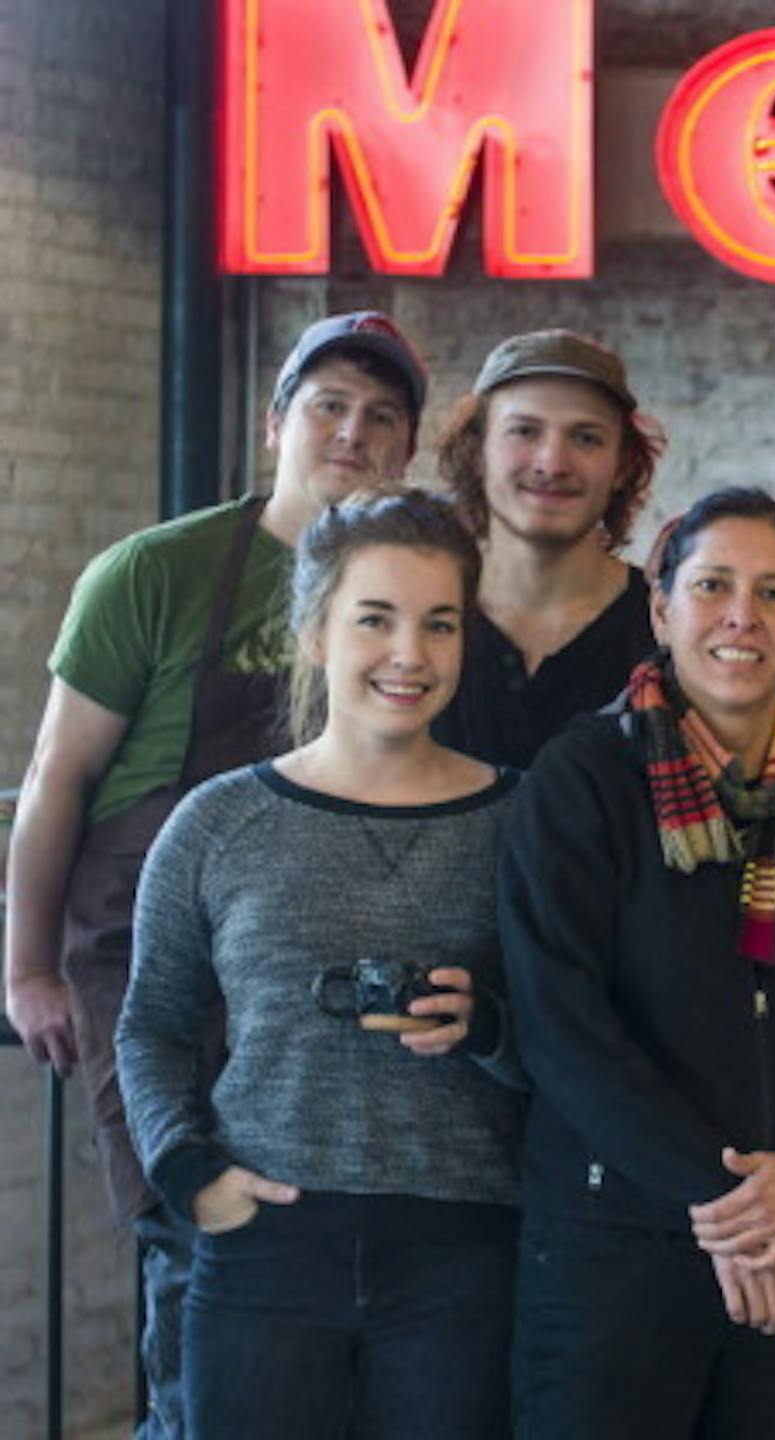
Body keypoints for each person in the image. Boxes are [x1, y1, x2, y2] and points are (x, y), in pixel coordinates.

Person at [3, 311, 426, 1438]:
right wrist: (28, 966)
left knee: (308, 1279)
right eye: (329, 405)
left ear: (407, 449)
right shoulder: (156, 571)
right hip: (153, 966)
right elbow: (54, 779)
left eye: (382, 415)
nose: (354, 431)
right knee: (195, 1263)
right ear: (276, 422)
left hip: (312, 973)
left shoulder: (404, 594)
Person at [498, 488, 775, 1437]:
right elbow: (560, 1023)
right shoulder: (581, 781)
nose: (742, 616)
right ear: (662, 609)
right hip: (614, 1247)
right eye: (712, 586)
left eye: (774, 593)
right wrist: (730, 1207)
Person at [116, 488, 523, 1439]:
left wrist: (490, 1028)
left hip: (464, 1253)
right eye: (374, 619)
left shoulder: (524, 820)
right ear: (313, 633)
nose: (409, 654)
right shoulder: (216, 821)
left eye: (440, 624)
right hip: (265, 1244)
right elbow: (152, 1021)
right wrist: (188, 1172)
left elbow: (585, 1026)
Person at [433, 329, 662, 767]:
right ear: (477, 451)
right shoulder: (415, 616)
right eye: (524, 431)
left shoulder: (664, 629)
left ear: (622, 465)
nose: (552, 463)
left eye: (586, 438)